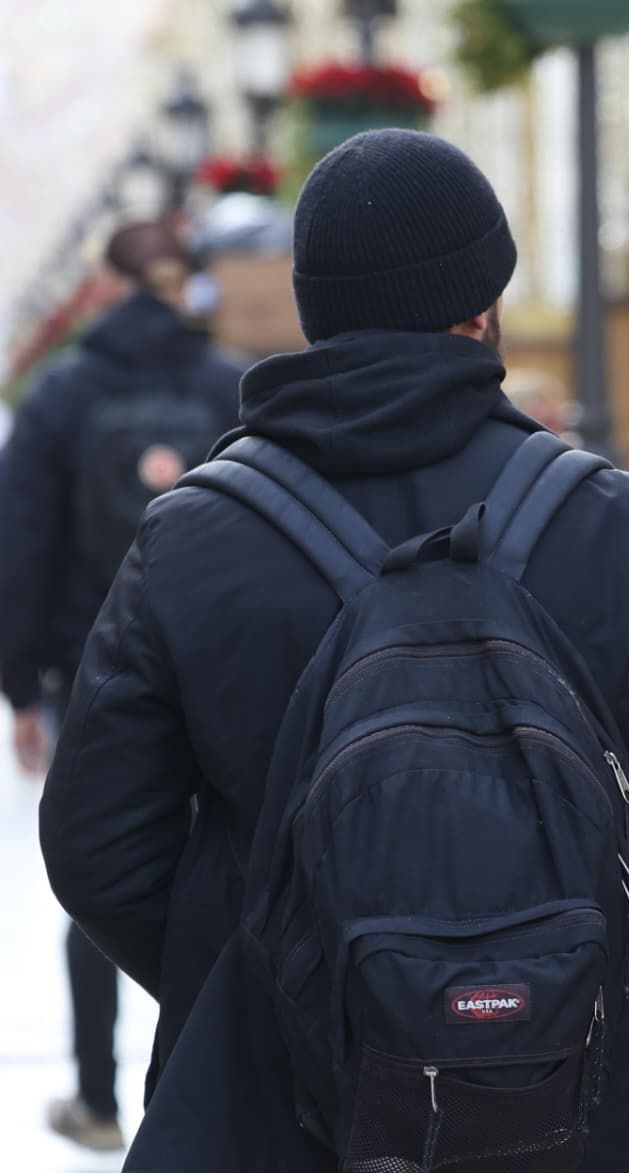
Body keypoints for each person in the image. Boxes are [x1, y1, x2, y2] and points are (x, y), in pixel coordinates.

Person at [38, 129, 629, 1173]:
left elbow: (94, 846)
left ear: (313, 311)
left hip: (273, 1117)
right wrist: (582, 981)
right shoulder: (606, 519)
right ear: (482, 308)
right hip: (579, 1114)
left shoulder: (194, 535)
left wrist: (289, 988)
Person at [0, 219, 245, 1153]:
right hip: (222, 664)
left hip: (91, 667)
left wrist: (21, 683)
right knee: (226, 856)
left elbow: (19, 545)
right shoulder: (224, 384)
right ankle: (221, 1078)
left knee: (101, 863)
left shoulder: (62, 395)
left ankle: (101, 1099)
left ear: (104, 285)